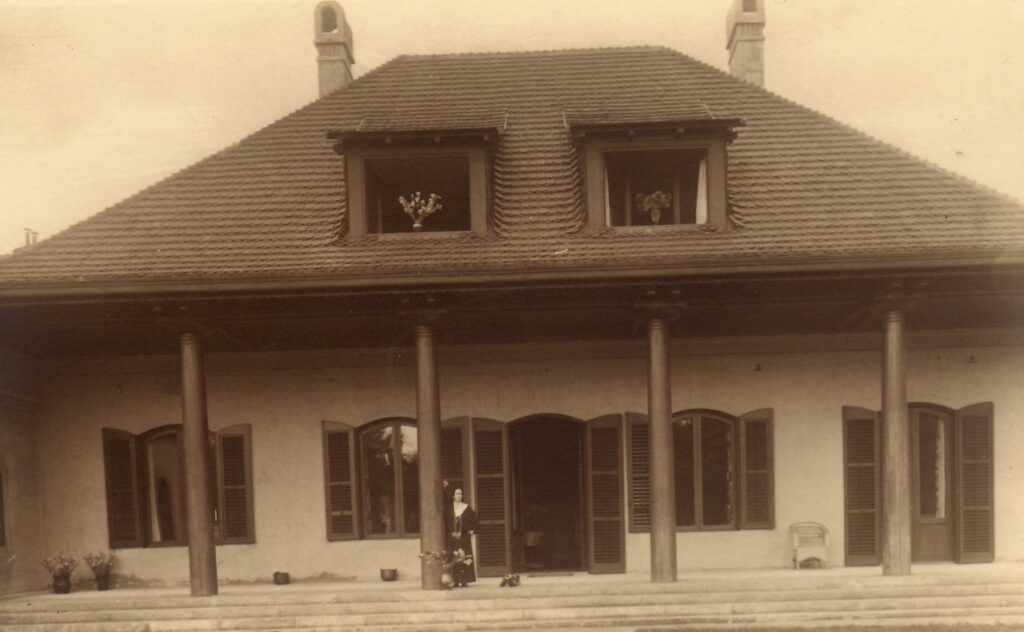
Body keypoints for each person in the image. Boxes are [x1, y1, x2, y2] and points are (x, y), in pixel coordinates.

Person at [444, 483, 478, 587]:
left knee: (465, 556)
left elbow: (475, 520)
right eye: (457, 494)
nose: (459, 495)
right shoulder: (449, 509)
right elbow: (446, 523)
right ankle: (455, 580)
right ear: (453, 495)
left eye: (460, 494)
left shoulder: (466, 507)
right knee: (454, 557)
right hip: (453, 538)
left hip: (464, 537)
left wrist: (472, 530)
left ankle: (464, 580)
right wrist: (451, 533)